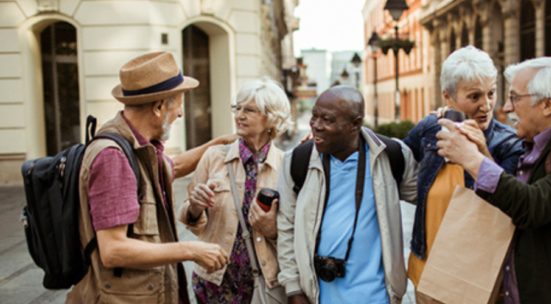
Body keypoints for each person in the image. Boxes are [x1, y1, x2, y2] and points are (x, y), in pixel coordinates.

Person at [436, 57, 551, 303]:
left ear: (548, 104)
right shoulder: (539, 142)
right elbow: (512, 200)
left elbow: (533, 205)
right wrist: (483, 155)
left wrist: (472, 160)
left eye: (515, 98)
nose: (506, 108)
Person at [67, 51, 232, 304]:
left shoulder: (136, 148)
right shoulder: (114, 157)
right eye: (178, 103)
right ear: (158, 107)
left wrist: (219, 143)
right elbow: (113, 250)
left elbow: (172, 166)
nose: (180, 113)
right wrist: (190, 249)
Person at [276, 86, 418, 304]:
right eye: (314, 116)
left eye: (327, 119)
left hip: (379, 297)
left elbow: (431, 198)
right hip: (318, 297)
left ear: (355, 124)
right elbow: (286, 227)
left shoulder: (391, 156)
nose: (316, 126)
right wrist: (294, 289)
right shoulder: (296, 161)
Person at [402, 45, 524, 288]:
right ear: (448, 97)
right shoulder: (431, 128)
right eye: (474, 96)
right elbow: (396, 157)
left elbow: (509, 204)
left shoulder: (508, 143)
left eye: (491, 93)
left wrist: (481, 153)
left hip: (479, 272)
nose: (487, 105)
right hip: (428, 265)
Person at [178, 78, 292, 304]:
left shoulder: (286, 165)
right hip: (214, 281)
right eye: (237, 108)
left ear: (272, 117)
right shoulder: (214, 157)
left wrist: (273, 230)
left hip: (263, 282)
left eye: (249, 110)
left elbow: (298, 232)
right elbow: (191, 222)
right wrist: (194, 208)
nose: (239, 115)